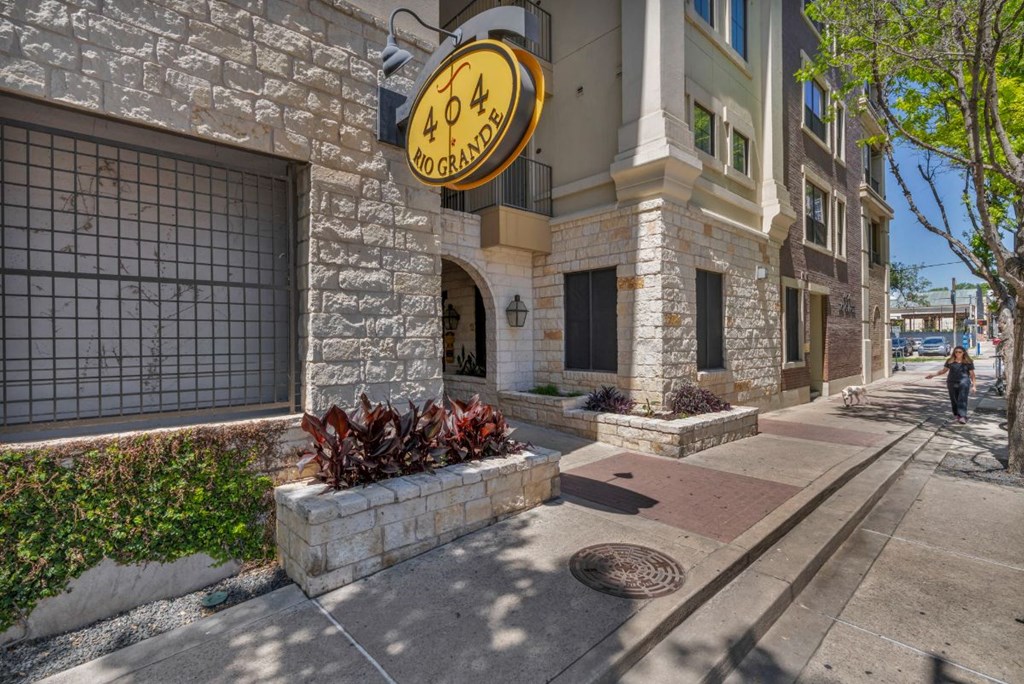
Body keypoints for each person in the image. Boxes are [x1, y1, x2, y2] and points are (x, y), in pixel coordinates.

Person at [925, 346, 977, 424]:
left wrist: (974, 386)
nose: (957, 353)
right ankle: (957, 415)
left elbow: (972, 374)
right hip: (952, 382)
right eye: (956, 352)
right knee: (954, 399)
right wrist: (933, 375)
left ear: (963, 353)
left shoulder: (968, 362)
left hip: (964, 382)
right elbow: (943, 371)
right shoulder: (950, 361)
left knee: (962, 399)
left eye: (960, 352)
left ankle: (963, 416)